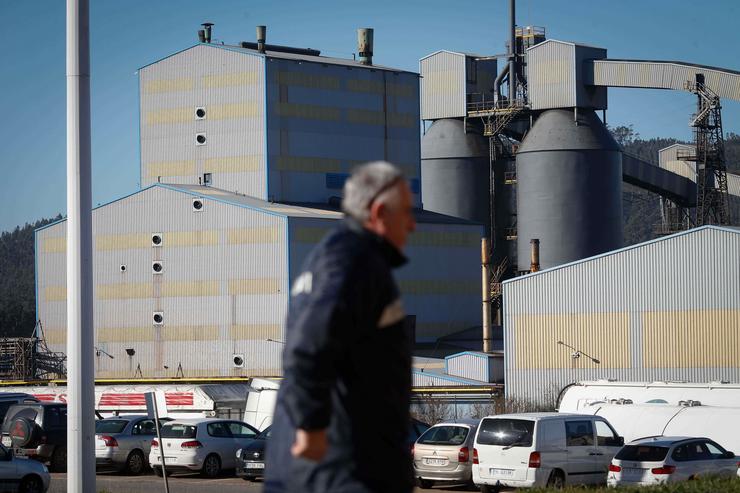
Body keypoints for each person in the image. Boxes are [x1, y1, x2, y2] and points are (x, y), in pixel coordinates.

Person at [264, 161, 416, 493]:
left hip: (318, 469)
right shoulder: (356, 263)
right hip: (344, 469)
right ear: (378, 212)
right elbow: (308, 346)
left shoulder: (331, 257)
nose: (412, 224)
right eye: (405, 211)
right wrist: (312, 427)